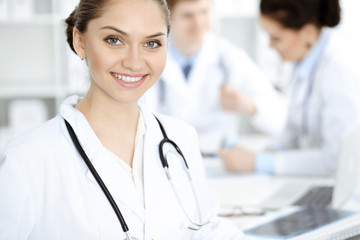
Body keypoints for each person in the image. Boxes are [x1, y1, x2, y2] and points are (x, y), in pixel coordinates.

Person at [0, 0, 244, 239]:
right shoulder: (26, 159)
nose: (134, 62)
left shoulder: (180, 138)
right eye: (114, 40)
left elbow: (204, 228)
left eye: (151, 43)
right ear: (80, 41)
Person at [219, 0, 360, 176]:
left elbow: (336, 159)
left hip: (343, 193)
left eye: (276, 38)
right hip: (314, 183)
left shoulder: (338, 71)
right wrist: (266, 152)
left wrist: (257, 162)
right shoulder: (303, 63)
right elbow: (293, 134)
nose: (270, 46)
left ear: (308, 32)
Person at [141, 0, 287, 155]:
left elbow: (281, 120)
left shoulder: (230, 58)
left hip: (219, 163)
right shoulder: (150, 59)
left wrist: (250, 105)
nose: (198, 22)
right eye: (188, 15)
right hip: (168, 160)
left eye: (204, 12)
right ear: (168, 19)